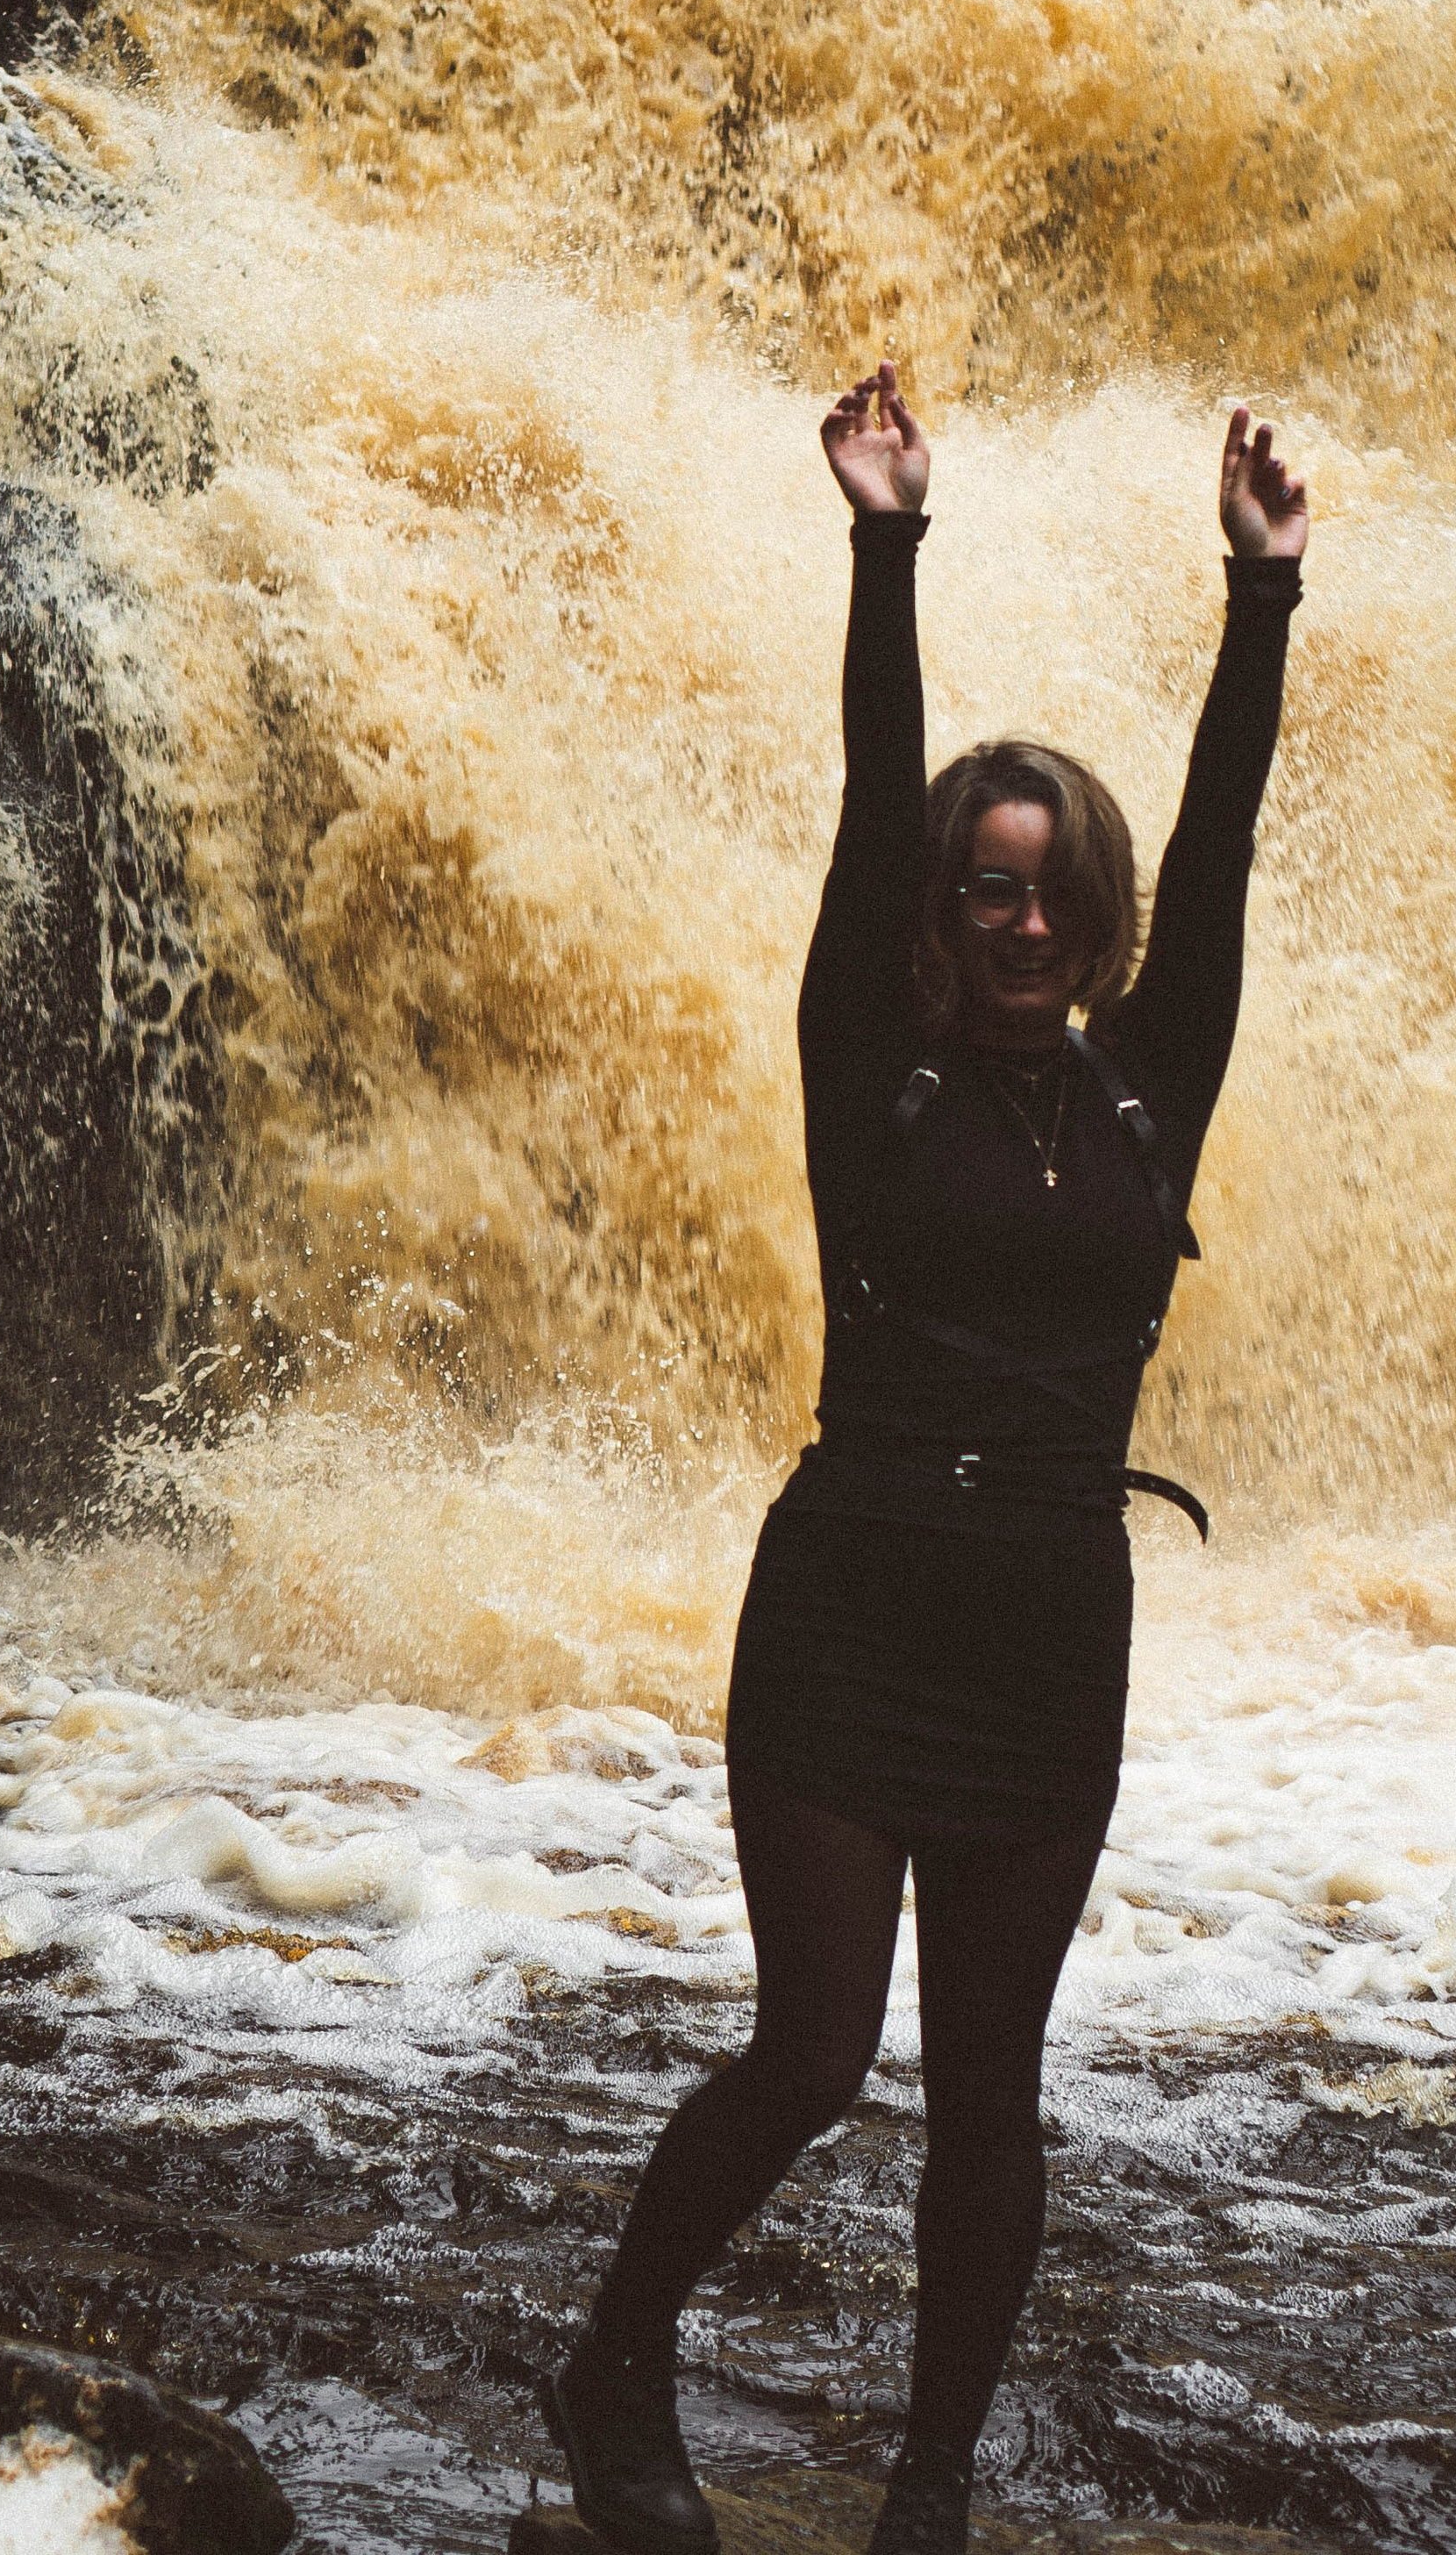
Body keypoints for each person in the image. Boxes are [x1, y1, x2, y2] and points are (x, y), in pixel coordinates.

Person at [548, 367, 1307, 2555]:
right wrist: (883, 547)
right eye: (988, 887)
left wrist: (1259, 597)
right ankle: (612, 2366)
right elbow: (876, 795)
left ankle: (932, 2487)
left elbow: (1227, 831)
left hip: (1052, 1621)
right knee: (811, 2055)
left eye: (1052, 886)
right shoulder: (863, 1063)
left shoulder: (1152, 1080)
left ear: (1095, 911)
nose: (1020, 916)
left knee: (990, 2095)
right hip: (855, 1596)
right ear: (940, 909)